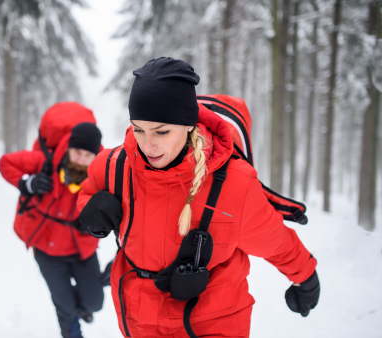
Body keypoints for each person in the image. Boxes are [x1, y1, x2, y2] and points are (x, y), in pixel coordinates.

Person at [77, 57, 320, 338]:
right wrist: (92, 214)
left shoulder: (233, 183)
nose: (148, 145)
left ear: (189, 124)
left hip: (212, 321)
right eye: (139, 129)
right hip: (138, 320)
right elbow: (86, 194)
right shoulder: (114, 166)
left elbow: (275, 240)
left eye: (162, 131)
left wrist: (306, 278)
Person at [0, 119, 105, 338]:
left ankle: (81, 306)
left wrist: (96, 222)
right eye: (77, 152)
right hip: (47, 250)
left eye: (88, 155)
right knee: (65, 308)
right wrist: (27, 182)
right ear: (68, 148)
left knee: (94, 303)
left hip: (82, 249)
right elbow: (5, 162)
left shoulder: (103, 173)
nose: (81, 159)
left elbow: (123, 203)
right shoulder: (44, 161)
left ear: (96, 156)